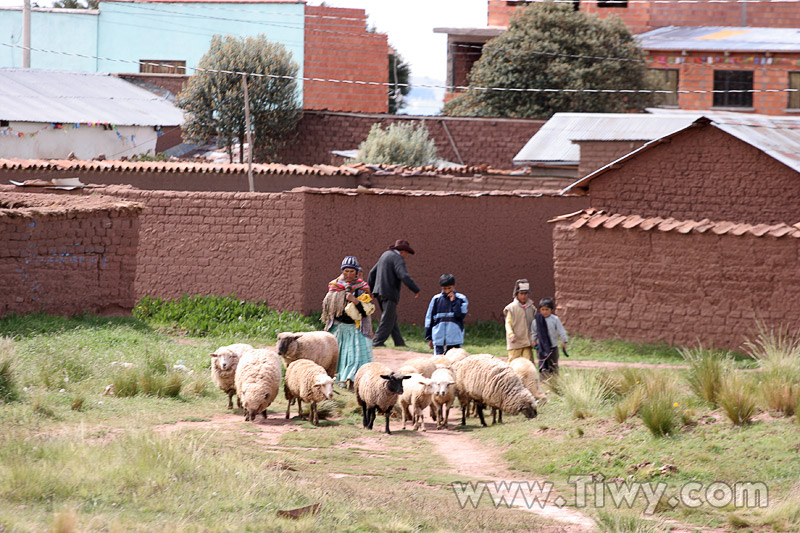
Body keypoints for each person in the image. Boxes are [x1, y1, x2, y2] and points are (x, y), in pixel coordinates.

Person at [321, 256, 374, 389]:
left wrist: (354, 300)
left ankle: (352, 383)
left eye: (352, 271)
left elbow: (365, 311)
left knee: (354, 358)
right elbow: (329, 307)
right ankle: (337, 381)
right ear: (342, 271)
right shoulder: (335, 286)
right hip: (338, 328)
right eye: (346, 271)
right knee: (336, 358)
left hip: (355, 329)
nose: (349, 274)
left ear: (356, 272)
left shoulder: (362, 287)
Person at [367, 239, 421, 348]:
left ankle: (399, 342)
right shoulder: (398, 259)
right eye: (407, 253)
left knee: (391, 317)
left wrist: (371, 289)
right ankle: (377, 342)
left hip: (379, 292)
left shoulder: (385, 255)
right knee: (387, 319)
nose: (406, 256)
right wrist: (415, 289)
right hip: (389, 292)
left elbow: (372, 273)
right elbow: (404, 275)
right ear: (403, 251)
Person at [424, 273, 468, 355]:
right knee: (439, 362)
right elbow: (429, 318)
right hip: (438, 339)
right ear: (441, 287)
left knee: (455, 361)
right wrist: (430, 337)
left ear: (454, 286)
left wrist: (454, 302)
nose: (447, 291)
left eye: (449, 288)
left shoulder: (461, 299)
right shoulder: (436, 299)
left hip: (455, 339)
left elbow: (460, 316)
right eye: (444, 288)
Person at [531, 297, 568, 378]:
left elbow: (561, 330)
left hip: (553, 347)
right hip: (541, 348)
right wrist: (533, 342)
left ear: (551, 310)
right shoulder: (537, 321)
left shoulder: (554, 319)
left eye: (547, 309)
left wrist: (564, 341)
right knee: (543, 366)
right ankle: (544, 383)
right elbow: (534, 333)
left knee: (553, 365)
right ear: (540, 310)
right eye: (542, 309)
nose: (544, 312)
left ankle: (554, 383)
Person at [503, 279, 536, 362]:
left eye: (526, 294)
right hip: (516, 340)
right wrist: (511, 334)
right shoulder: (511, 308)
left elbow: (534, 323)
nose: (523, 296)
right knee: (513, 361)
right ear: (517, 294)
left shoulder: (531, 307)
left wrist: (535, 337)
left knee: (528, 361)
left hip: (527, 340)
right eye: (521, 293)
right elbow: (508, 323)